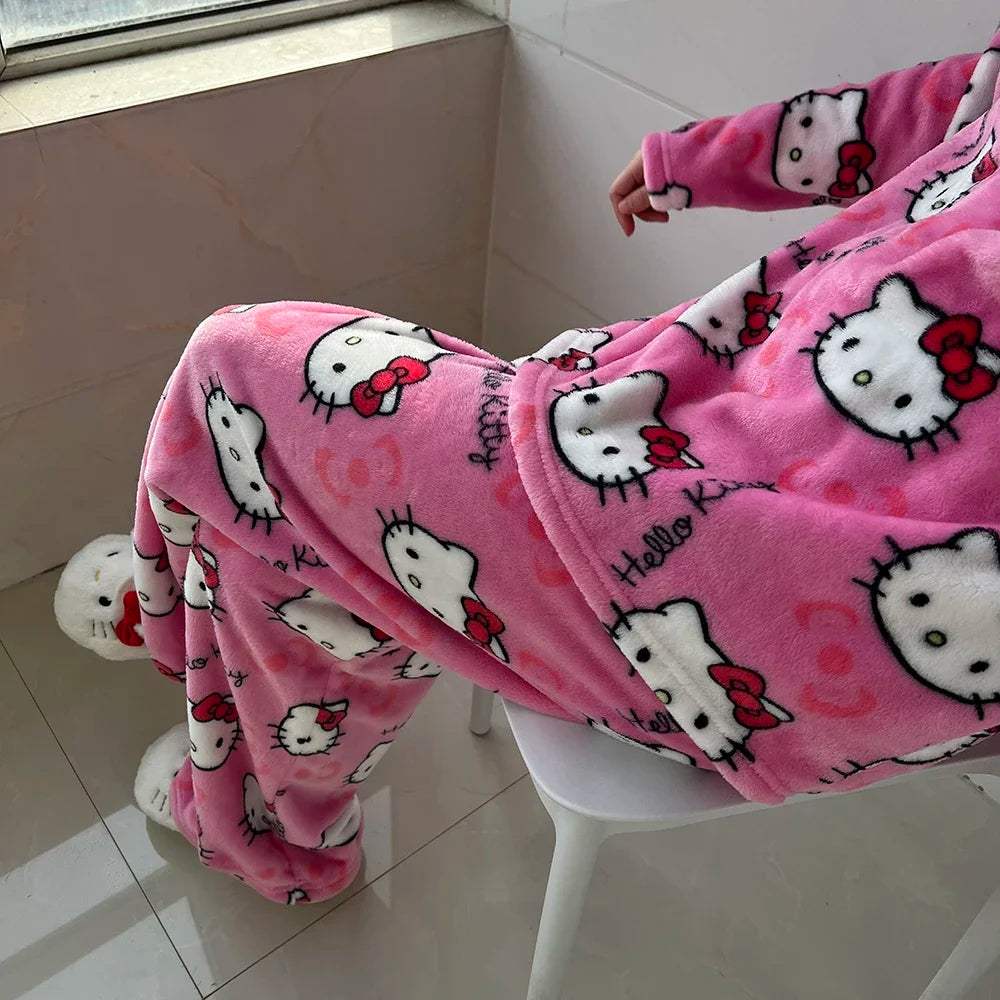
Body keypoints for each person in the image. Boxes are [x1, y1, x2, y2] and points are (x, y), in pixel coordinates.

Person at [54, 29, 1000, 904]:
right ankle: (258, 763)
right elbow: (957, 102)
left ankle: (207, 698)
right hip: (691, 439)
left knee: (236, 377)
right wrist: (702, 159)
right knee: (286, 509)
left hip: (767, 619)